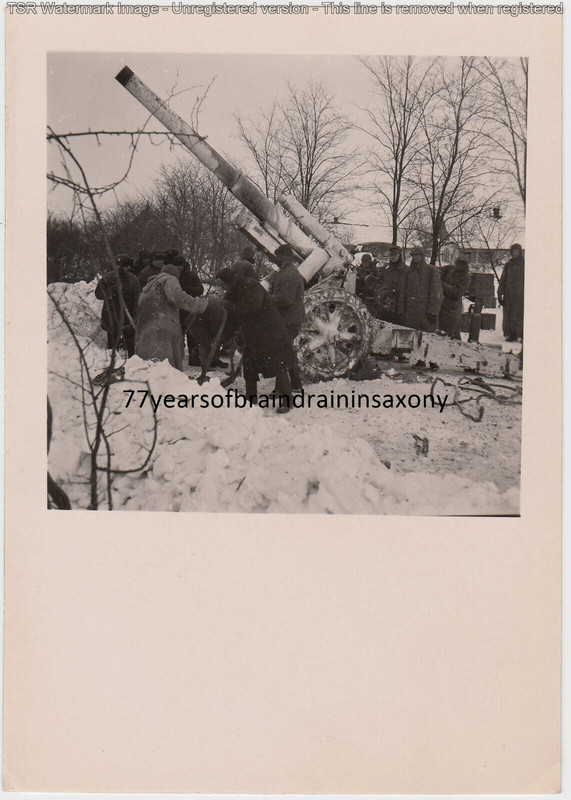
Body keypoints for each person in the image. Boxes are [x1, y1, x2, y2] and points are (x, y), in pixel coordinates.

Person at [216, 268, 296, 413]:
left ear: (229, 281)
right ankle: (251, 399)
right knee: (250, 366)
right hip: (254, 333)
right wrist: (224, 337)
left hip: (270, 332)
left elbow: (253, 304)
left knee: (279, 365)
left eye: (223, 284)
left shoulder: (250, 285)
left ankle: (288, 400)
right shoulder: (233, 292)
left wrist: (231, 306)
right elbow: (233, 317)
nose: (223, 288)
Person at [135, 259, 208, 371]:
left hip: (146, 328)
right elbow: (178, 297)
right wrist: (198, 305)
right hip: (161, 325)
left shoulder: (149, 285)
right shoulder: (169, 279)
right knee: (164, 363)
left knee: (150, 363)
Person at [267, 244, 305, 393]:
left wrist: (268, 299)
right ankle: (296, 384)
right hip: (289, 319)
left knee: (281, 354)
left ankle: (281, 390)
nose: (275, 259)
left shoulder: (289, 274)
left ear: (283, 257)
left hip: (289, 320)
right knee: (287, 351)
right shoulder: (286, 272)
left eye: (277, 257)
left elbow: (286, 299)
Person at [95, 255, 141, 356]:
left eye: (129, 266)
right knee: (113, 343)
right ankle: (113, 364)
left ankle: (133, 363)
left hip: (127, 316)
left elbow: (136, 298)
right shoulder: (108, 278)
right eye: (125, 266)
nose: (128, 268)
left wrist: (135, 314)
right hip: (111, 315)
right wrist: (110, 292)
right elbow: (98, 294)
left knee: (131, 343)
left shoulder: (133, 280)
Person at [398, 247, 443, 332]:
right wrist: (401, 310)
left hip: (425, 314)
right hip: (410, 313)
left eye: (417, 255)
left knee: (427, 340)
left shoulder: (431, 270)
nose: (415, 257)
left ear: (422, 256)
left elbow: (436, 293)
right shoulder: (408, 272)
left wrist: (433, 312)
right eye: (413, 255)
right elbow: (403, 292)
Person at [498, 243, 525, 341]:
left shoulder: (524, 264)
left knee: (519, 314)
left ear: (520, 252)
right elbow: (503, 279)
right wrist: (499, 292)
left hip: (520, 295)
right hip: (509, 294)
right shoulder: (509, 264)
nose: (514, 253)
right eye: (513, 251)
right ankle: (511, 334)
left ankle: (520, 334)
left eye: (516, 251)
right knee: (509, 314)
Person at [439, 257, 471, 339]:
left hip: (453, 309)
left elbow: (457, 293)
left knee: (453, 334)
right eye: (457, 263)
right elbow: (438, 270)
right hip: (442, 305)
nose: (458, 265)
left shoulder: (466, 277)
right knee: (441, 333)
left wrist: (442, 284)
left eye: (461, 264)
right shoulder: (451, 269)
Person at [378, 245, 406, 323]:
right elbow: (379, 283)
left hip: (399, 305)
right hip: (385, 303)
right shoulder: (385, 269)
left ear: (399, 255)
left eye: (395, 255)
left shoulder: (406, 270)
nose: (393, 257)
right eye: (391, 255)